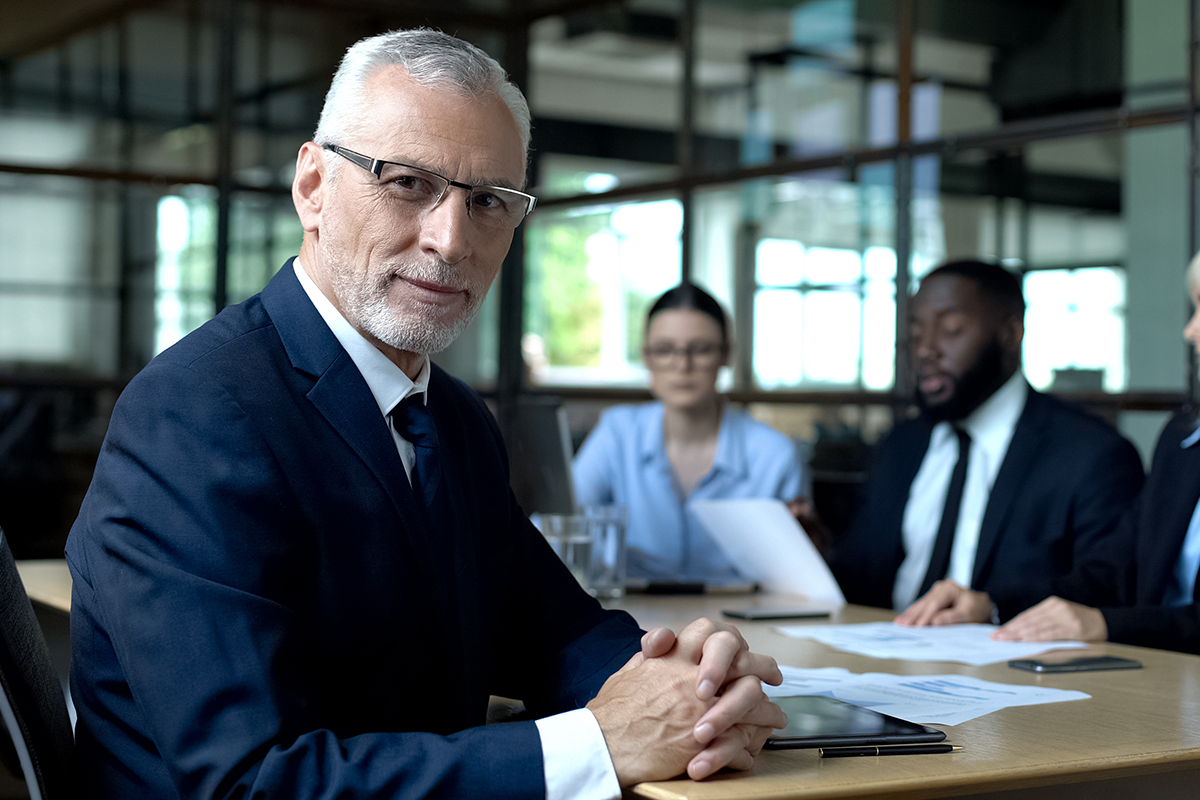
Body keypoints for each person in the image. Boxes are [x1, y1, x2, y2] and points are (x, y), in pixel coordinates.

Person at [65, 28, 786, 799]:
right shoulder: (193, 414)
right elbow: (250, 781)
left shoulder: (450, 416)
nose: (450, 240)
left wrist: (692, 677)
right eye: (408, 182)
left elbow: (555, 630)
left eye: (488, 202)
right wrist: (598, 745)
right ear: (313, 187)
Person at [808, 259, 1144, 624]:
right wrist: (815, 552)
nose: (925, 350)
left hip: (1012, 665)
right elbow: (865, 578)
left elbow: (1109, 586)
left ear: (1010, 334)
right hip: (886, 653)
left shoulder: (1091, 454)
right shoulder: (901, 445)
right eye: (916, 333)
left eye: (951, 329)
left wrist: (994, 607)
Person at [992, 252, 1200, 654]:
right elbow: (1113, 571)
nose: (1189, 332)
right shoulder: (1183, 441)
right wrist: (993, 605)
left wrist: (1107, 623)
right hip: (1159, 687)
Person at [572, 283, 805, 584]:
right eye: (664, 350)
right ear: (646, 357)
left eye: (701, 349)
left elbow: (797, 575)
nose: (682, 365)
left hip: (742, 620)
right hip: (631, 615)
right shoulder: (617, 432)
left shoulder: (774, 454)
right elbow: (563, 524)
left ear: (727, 354)